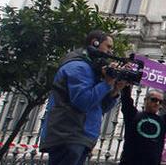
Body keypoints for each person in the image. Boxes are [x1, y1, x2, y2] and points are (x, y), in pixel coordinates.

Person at [40, 30, 127, 165]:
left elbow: (100, 107)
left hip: (80, 136)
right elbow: (83, 102)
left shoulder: (92, 69)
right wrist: (107, 83)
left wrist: (115, 90)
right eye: (108, 46)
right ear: (95, 43)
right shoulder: (78, 67)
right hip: (68, 135)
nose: (111, 52)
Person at [118, 87, 166, 165]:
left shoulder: (163, 121)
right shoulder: (133, 116)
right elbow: (126, 102)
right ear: (145, 100)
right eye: (154, 100)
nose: (157, 103)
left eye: (160, 102)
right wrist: (126, 85)